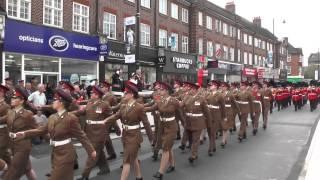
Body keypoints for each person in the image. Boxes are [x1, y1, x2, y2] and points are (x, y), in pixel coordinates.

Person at [15, 89, 96, 180]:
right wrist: (25, 134)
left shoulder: (70, 118)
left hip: (66, 153)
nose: (52, 102)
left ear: (61, 103)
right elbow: (41, 130)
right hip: (55, 152)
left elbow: (81, 136)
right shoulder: (52, 117)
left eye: (55, 100)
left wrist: (91, 150)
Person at [104, 81, 153, 180]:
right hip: (126, 134)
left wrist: (152, 139)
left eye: (126, 93)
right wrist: (105, 120)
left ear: (131, 94)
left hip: (134, 136)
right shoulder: (123, 106)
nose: (124, 95)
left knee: (126, 160)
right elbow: (116, 116)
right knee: (133, 157)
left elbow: (146, 123)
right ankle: (139, 177)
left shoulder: (139, 107)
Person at [144, 82, 184, 179]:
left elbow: (180, 112)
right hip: (162, 126)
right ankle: (173, 165)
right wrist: (140, 108)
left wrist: (184, 123)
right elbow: (152, 108)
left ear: (166, 91)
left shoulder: (174, 101)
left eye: (161, 89)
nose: (159, 91)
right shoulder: (160, 100)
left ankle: (160, 172)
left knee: (165, 148)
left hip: (171, 127)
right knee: (168, 147)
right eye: (159, 89)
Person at [74, 86, 112, 180]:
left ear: (97, 95)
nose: (91, 94)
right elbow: (83, 112)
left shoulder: (104, 104)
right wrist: (70, 113)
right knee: (99, 151)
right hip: (89, 131)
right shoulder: (90, 103)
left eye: (92, 93)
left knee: (93, 153)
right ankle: (105, 168)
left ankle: (84, 175)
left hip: (99, 132)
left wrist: (106, 128)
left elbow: (112, 117)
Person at [3, 87, 38, 180]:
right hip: (13, 145)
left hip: (23, 146)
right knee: (28, 169)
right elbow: (2, 120)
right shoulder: (10, 112)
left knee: (13, 171)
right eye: (12, 98)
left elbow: (37, 130)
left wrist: (25, 134)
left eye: (15, 98)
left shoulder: (28, 114)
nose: (12, 99)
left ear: (21, 101)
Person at [179, 82, 212, 163]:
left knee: (195, 139)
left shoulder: (201, 99)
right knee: (189, 136)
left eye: (190, 89)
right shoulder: (186, 97)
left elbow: (207, 112)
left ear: (195, 90)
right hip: (189, 121)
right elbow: (180, 105)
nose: (189, 90)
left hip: (198, 122)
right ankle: (190, 149)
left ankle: (193, 155)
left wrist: (209, 122)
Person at [206, 80, 225, 154]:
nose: (210, 86)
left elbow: (223, 107)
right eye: (210, 85)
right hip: (209, 115)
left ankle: (210, 148)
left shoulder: (220, 95)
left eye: (212, 85)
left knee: (212, 132)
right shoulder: (208, 94)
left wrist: (224, 117)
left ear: (216, 87)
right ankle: (213, 146)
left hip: (216, 116)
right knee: (209, 132)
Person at [221, 82, 239, 147]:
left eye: (223, 87)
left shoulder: (230, 95)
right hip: (221, 112)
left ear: (226, 87)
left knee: (225, 127)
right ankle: (224, 139)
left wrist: (238, 111)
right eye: (221, 86)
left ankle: (223, 140)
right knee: (222, 126)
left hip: (228, 112)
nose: (222, 88)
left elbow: (235, 103)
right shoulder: (220, 94)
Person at [0, 85, 11, 166]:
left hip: (3, 133)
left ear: (2, 93)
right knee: (6, 156)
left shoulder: (6, 106)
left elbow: (8, 117)